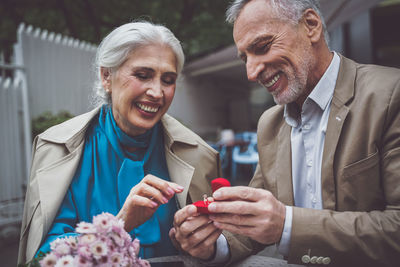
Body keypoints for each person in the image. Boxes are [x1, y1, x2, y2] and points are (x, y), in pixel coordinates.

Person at [171, 0, 400, 266]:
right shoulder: (270, 123)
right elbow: (255, 224)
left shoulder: (390, 94)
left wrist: (286, 224)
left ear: (311, 26)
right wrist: (210, 245)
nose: (251, 72)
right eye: (246, 58)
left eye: (262, 47)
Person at [18, 21, 222, 264]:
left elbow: (221, 245)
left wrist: (200, 245)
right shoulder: (58, 148)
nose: (157, 92)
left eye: (168, 80)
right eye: (142, 75)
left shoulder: (201, 156)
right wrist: (120, 224)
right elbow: (44, 257)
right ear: (106, 76)